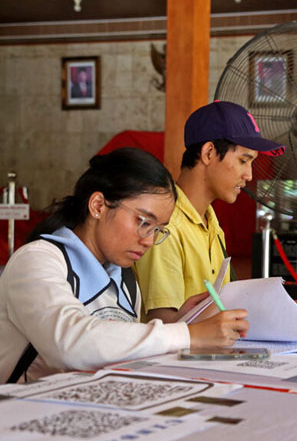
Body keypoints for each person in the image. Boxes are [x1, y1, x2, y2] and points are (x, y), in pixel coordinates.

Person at [0, 148, 249, 383]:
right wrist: (189, 335)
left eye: (157, 230)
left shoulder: (125, 279)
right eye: (143, 222)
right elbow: (70, 344)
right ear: (98, 206)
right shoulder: (37, 261)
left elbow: (118, 349)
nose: (149, 240)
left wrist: (183, 322)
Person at [133, 100, 292, 323]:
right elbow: (164, 325)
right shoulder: (166, 225)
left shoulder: (210, 222)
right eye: (243, 160)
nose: (249, 175)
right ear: (209, 153)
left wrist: (276, 310)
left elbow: (222, 307)